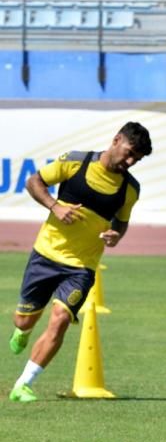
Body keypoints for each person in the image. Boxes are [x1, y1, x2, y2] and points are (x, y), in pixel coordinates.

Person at [8, 121, 152, 403]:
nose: (131, 161)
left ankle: (24, 384)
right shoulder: (76, 162)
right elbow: (33, 181)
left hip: (81, 267)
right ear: (116, 140)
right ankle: (23, 331)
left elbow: (121, 223)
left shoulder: (130, 189)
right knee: (23, 319)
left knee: (61, 319)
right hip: (46, 255)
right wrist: (55, 206)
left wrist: (115, 236)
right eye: (130, 152)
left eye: (137, 158)